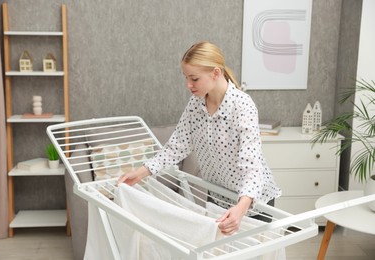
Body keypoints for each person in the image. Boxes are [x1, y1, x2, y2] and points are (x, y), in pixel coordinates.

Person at [118, 41, 281, 235]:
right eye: (186, 78)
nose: (188, 85)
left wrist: (242, 207)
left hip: (251, 201)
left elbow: (252, 166)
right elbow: (176, 146)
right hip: (218, 195)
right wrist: (140, 173)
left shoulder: (242, 107)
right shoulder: (196, 104)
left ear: (215, 73)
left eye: (194, 78)